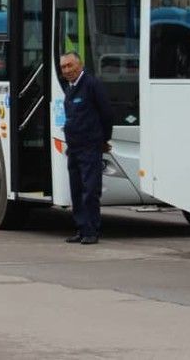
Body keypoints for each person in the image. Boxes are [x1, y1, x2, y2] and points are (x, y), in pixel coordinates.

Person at [60, 52, 113, 245]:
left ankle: (92, 231)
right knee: (76, 190)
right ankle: (81, 229)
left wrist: (104, 139)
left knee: (90, 191)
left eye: (70, 65)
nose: (67, 70)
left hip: (90, 146)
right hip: (74, 148)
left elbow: (106, 113)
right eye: (63, 67)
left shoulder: (92, 85)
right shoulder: (69, 88)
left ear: (80, 65)